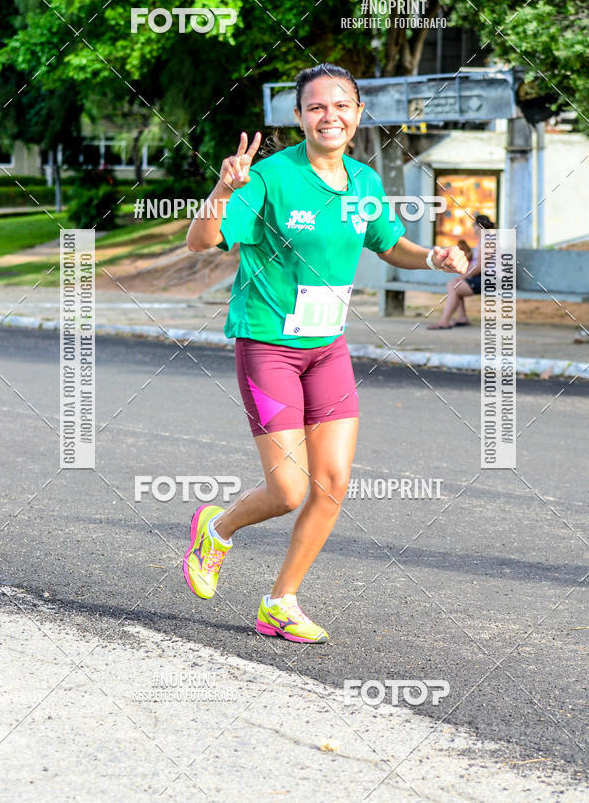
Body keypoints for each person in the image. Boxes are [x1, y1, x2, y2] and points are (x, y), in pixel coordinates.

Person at [184, 63, 468, 643]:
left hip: (327, 349)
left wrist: (433, 258)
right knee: (288, 490)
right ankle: (218, 527)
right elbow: (202, 242)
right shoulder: (268, 177)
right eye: (316, 106)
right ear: (299, 116)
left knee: (333, 482)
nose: (329, 116)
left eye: (341, 106)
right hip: (268, 345)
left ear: (358, 115)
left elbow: (390, 245)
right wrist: (221, 189)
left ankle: (280, 601)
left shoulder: (364, 182)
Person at [427, 213, 495, 329]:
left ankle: (444, 321)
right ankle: (461, 317)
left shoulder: (487, 241)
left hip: (492, 280)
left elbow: (480, 267)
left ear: (478, 227)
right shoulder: (486, 239)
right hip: (487, 277)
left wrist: (463, 277)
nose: (473, 228)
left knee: (454, 286)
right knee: (454, 284)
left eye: (473, 225)